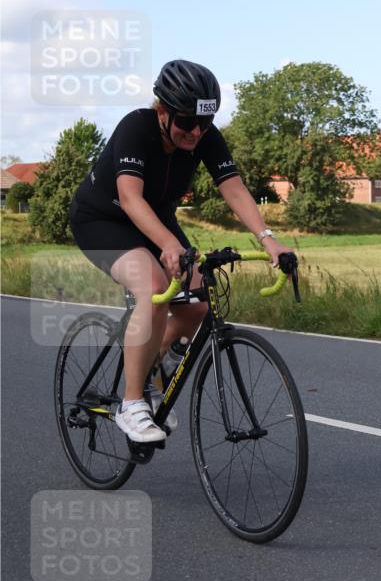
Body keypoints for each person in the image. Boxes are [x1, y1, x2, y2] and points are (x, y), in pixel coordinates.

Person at [69, 59, 293, 443]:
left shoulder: (204, 135)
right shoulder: (136, 127)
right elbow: (129, 196)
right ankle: (133, 402)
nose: (196, 132)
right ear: (162, 112)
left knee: (199, 303)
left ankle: (157, 360)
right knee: (154, 287)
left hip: (156, 219)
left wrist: (268, 239)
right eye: (187, 122)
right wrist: (170, 244)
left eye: (204, 123)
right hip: (103, 219)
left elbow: (234, 188)